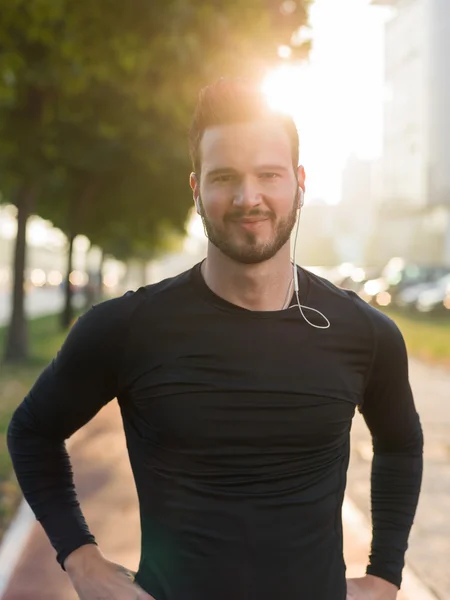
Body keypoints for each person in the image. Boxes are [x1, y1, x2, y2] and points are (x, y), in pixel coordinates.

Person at [7, 78, 423, 600]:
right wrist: (81, 558)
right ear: (196, 188)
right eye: (224, 177)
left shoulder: (366, 333)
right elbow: (32, 430)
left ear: (298, 182)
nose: (249, 198)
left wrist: (386, 575)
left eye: (268, 175)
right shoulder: (126, 328)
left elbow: (401, 444)